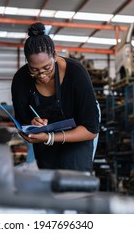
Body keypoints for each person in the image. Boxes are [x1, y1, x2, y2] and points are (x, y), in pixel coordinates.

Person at [11, 22, 100, 173]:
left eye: (47, 68)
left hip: (79, 130)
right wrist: (32, 125)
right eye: (34, 70)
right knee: (46, 176)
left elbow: (91, 129)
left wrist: (51, 137)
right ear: (27, 62)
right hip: (43, 137)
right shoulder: (20, 80)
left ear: (55, 56)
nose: (42, 75)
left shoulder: (76, 73)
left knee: (74, 175)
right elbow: (21, 124)